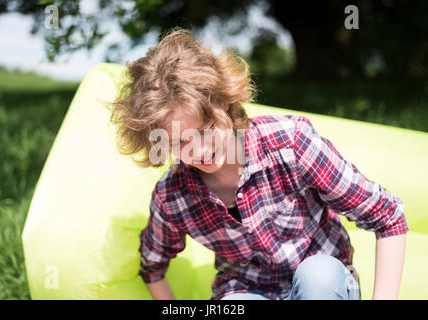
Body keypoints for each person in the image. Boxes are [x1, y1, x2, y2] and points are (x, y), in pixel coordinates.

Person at [109, 27, 409, 300]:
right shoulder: (173, 196)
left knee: (318, 276)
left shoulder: (290, 143)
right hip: (247, 289)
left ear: (224, 103)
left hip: (322, 286)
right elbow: (152, 266)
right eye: (180, 142)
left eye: (205, 129)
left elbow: (387, 216)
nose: (200, 150)